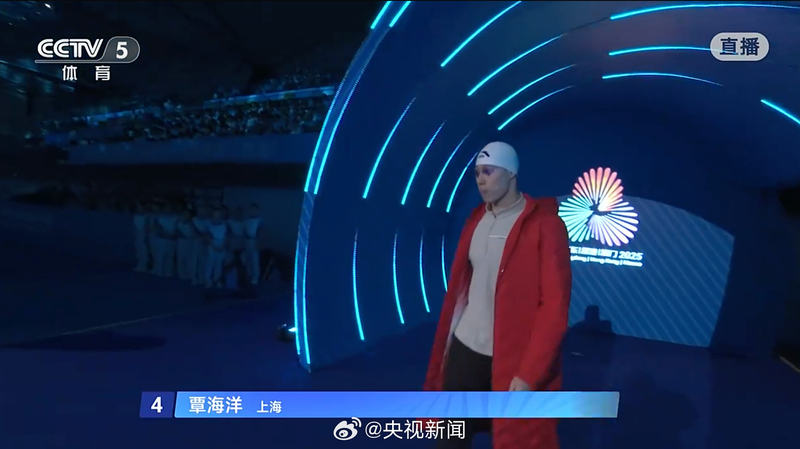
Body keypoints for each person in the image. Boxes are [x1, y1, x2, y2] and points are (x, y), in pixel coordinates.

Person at [423, 142, 572, 449]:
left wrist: (530, 373)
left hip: (510, 357)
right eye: (477, 173)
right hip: (465, 351)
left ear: (511, 173)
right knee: (450, 439)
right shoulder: (476, 219)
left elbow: (554, 307)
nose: (480, 179)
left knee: (515, 439)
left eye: (488, 172)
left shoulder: (546, 226)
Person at [204, 207, 228, 288]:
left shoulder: (224, 225)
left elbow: (226, 237)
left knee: (219, 264)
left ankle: (217, 280)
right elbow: (208, 237)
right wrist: (213, 246)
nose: (217, 217)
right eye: (215, 215)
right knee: (210, 264)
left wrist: (222, 246)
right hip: (212, 245)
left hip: (221, 245)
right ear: (212, 216)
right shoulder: (209, 225)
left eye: (218, 215)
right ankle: (208, 281)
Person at [242, 203, 262, 286]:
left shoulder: (259, 221)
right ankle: (248, 275)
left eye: (254, 210)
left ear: (257, 211)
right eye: (251, 210)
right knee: (247, 259)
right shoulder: (246, 221)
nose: (252, 211)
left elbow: (260, 232)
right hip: (247, 241)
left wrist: (258, 243)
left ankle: (255, 277)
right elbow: (244, 231)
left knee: (255, 260)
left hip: (254, 241)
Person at [176, 207, 199, 281]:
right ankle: (181, 274)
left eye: (188, 214)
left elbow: (195, 234)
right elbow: (177, 232)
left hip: (190, 243)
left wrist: (191, 224)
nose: (186, 215)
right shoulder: (178, 222)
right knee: (181, 258)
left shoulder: (193, 223)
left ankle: (190, 274)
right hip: (181, 242)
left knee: (190, 259)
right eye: (184, 214)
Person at [133, 201, 150, 272]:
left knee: (144, 251)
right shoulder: (136, 216)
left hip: (143, 236)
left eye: (139, 206)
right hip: (138, 237)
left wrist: (145, 236)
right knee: (139, 251)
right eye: (137, 207)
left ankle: (144, 266)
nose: (138, 208)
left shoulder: (146, 216)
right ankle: (140, 265)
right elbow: (135, 227)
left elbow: (147, 227)